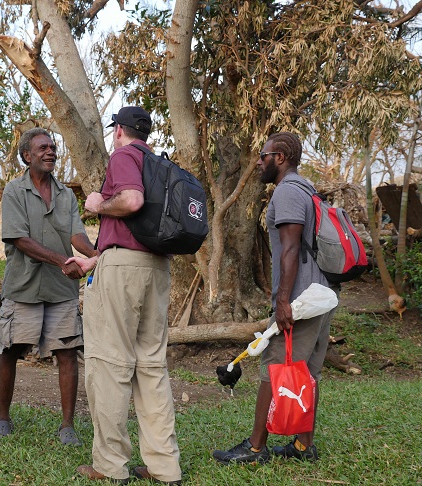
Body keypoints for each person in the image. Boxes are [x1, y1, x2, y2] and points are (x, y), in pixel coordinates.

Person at [70, 107, 182, 485]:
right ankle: (164, 466)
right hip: (157, 268)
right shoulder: (158, 163)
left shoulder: (124, 155)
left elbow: (131, 201)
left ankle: (110, 465)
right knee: (151, 367)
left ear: (119, 130)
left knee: (109, 364)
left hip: (122, 272)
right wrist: (94, 261)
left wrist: (98, 203)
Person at [212, 132, 339, 465]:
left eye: (263, 155)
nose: (258, 161)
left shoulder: (286, 192)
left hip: (300, 301)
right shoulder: (308, 189)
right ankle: (303, 446)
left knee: (273, 367)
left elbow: (291, 249)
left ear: (280, 157)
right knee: (308, 373)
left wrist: (282, 301)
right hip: (322, 295)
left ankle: (255, 448)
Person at [0, 127, 96, 446]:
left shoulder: (65, 194)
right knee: (9, 351)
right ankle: (3, 419)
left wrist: (94, 253)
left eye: (52, 147)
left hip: (61, 290)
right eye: (43, 148)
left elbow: (76, 234)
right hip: (23, 287)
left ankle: (67, 427)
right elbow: (19, 240)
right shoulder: (14, 191)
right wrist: (64, 261)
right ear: (27, 156)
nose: (50, 152)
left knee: (66, 353)